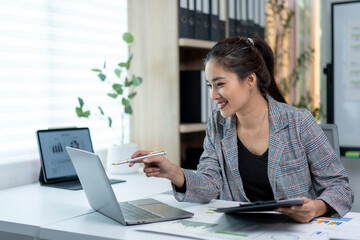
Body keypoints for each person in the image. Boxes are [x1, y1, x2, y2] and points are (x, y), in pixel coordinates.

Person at [130, 36, 354, 223]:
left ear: (250, 80)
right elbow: (210, 184)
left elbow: (340, 187)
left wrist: (316, 207)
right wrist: (173, 172)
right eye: (210, 85)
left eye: (220, 84)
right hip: (242, 232)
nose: (213, 95)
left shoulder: (298, 122)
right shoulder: (218, 124)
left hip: (296, 232)